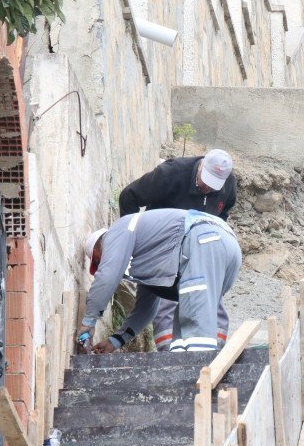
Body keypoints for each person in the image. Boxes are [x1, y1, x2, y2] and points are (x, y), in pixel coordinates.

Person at [118, 149, 237, 351]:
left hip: (199, 249)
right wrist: (132, 243)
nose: (208, 188)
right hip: (161, 247)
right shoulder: (171, 174)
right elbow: (129, 196)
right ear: (200, 166)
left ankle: (213, 352)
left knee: (208, 297)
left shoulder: (228, 185)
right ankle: (169, 353)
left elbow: (222, 214)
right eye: (205, 181)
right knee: (159, 299)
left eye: (214, 185)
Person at [76, 208, 241, 353]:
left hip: (205, 240)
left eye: (98, 261)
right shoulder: (149, 255)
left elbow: (107, 275)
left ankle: (202, 379)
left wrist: (88, 322)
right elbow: (145, 309)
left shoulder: (118, 230)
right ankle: (191, 375)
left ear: (101, 246)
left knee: (196, 330)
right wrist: (116, 340)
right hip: (225, 250)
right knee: (183, 337)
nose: (102, 265)